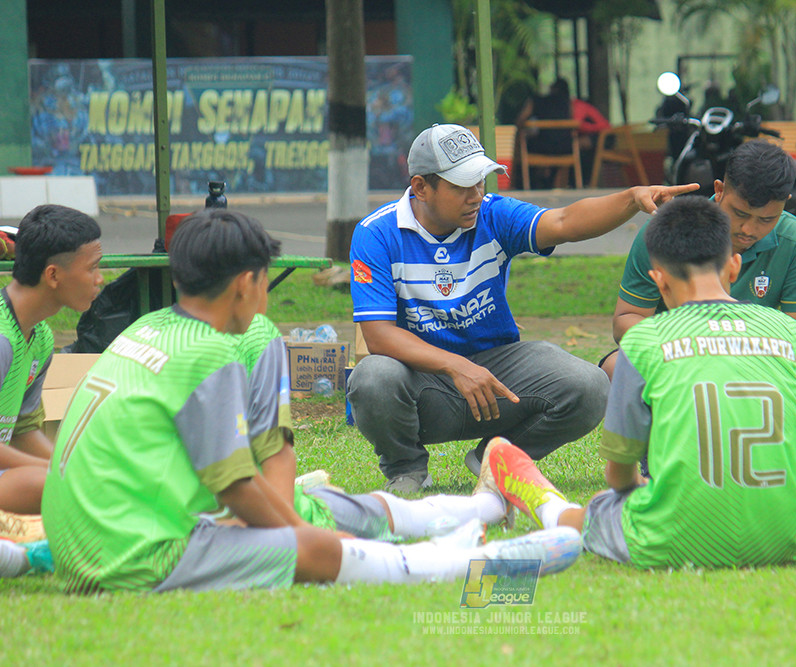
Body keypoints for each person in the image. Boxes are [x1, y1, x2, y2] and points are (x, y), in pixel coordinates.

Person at [41, 208, 580, 593]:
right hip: (129, 556)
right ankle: (467, 561)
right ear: (247, 283)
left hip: (86, 544)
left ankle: (485, 504)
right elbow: (234, 486)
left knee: (334, 509)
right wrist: (296, 534)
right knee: (314, 547)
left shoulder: (152, 329)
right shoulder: (211, 353)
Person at [348, 123, 698, 494]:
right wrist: (457, 366)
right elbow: (378, 334)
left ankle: (497, 459)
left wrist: (631, 198)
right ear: (421, 187)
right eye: (461, 186)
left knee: (591, 386)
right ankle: (407, 469)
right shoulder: (377, 233)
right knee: (373, 377)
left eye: (480, 181)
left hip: (498, 375)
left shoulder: (493, 214)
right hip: (423, 383)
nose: (475, 195)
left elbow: (564, 222)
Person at [481, 196, 796, 569]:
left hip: (670, 541)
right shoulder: (791, 333)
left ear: (658, 279)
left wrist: (635, 487)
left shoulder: (645, 340)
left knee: (601, 505)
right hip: (784, 539)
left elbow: (619, 474)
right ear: (734, 266)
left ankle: (545, 503)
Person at [599, 140, 796, 480]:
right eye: (740, 214)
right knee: (615, 368)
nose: (749, 229)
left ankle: (779, 453)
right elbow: (626, 320)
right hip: (676, 363)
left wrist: (741, 357)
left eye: (766, 219)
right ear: (719, 190)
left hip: (761, 369)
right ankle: (658, 451)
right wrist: (691, 347)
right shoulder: (668, 230)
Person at [236, 311, 517, 538]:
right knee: (376, 526)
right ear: (247, 282)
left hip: (231, 519)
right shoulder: (256, 333)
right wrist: (295, 529)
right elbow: (267, 460)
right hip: (243, 524)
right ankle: (489, 507)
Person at [0, 204, 103, 549]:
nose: (100, 279)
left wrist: (73, 466)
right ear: (53, 275)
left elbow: (23, 429)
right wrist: (62, 474)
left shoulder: (41, 338)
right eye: (93, 268)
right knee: (47, 485)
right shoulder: (2, 341)